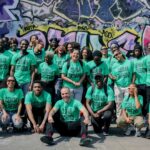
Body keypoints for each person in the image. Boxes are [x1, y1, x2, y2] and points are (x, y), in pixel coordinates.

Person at [109, 50, 133, 118]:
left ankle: (127, 118)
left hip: (128, 86)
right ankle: (119, 119)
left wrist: (132, 84)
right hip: (118, 86)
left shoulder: (129, 62)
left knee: (127, 103)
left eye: (117, 54)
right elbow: (110, 74)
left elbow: (133, 73)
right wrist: (112, 77)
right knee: (118, 103)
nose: (117, 56)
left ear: (121, 53)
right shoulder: (114, 65)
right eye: (115, 56)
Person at [132, 44, 147, 116]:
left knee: (145, 100)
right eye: (135, 51)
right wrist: (133, 82)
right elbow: (133, 73)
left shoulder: (145, 59)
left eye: (138, 51)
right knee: (137, 100)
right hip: (137, 84)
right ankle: (138, 115)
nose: (136, 52)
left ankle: (145, 115)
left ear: (141, 51)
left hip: (145, 83)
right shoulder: (133, 61)